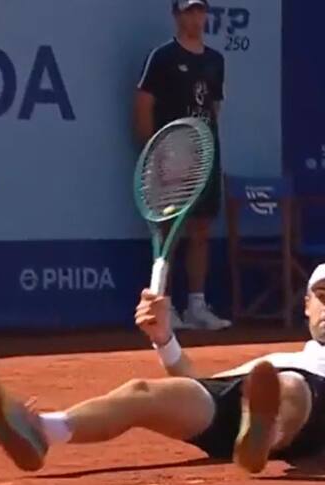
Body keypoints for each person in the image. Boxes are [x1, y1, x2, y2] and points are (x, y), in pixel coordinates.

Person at [0, 262, 325, 475]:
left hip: (319, 411)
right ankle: (43, 430)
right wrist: (165, 338)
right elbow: (195, 387)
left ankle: (263, 437)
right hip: (249, 394)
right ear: (307, 304)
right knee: (143, 391)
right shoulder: (276, 358)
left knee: (287, 387)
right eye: (322, 296)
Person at [133, 0, 230, 330]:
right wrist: (154, 152)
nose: (196, 17)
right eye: (188, 10)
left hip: (204, 156)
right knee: (168, 234)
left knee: (201, 231)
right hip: (170, 155)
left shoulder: (216, 60)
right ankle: (165, 306)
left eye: (200, 10)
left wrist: (204, 152)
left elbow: (213, 109)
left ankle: (197, 307)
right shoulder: (162, 58)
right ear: (176, 15)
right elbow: (144, 106)